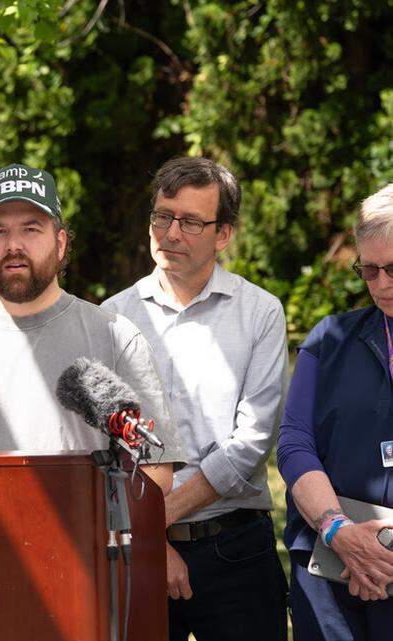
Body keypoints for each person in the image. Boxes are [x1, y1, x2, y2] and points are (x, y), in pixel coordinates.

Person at [0, 162, 183, 490]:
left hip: (81, 540)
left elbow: (155, 471)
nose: (14, 245)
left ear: (59, 243)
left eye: (31, 229)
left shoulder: (115, 338)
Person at [102, 157, 288, 640]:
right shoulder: (111, 319)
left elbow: (252, 443)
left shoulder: (261, 313)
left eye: (189, 221)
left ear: (223, 234)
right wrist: (152, 540)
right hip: (134, 553)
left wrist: (157, 517)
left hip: (234, 551)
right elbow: (107, 447)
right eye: (162, 217)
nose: (170, 233)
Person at [278, 183, 393, 640]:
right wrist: (338, 529)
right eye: (369, 270)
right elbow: (294, 444)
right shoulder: (330, 339)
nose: (382, 284)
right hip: (331, 568)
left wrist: (381, 555)